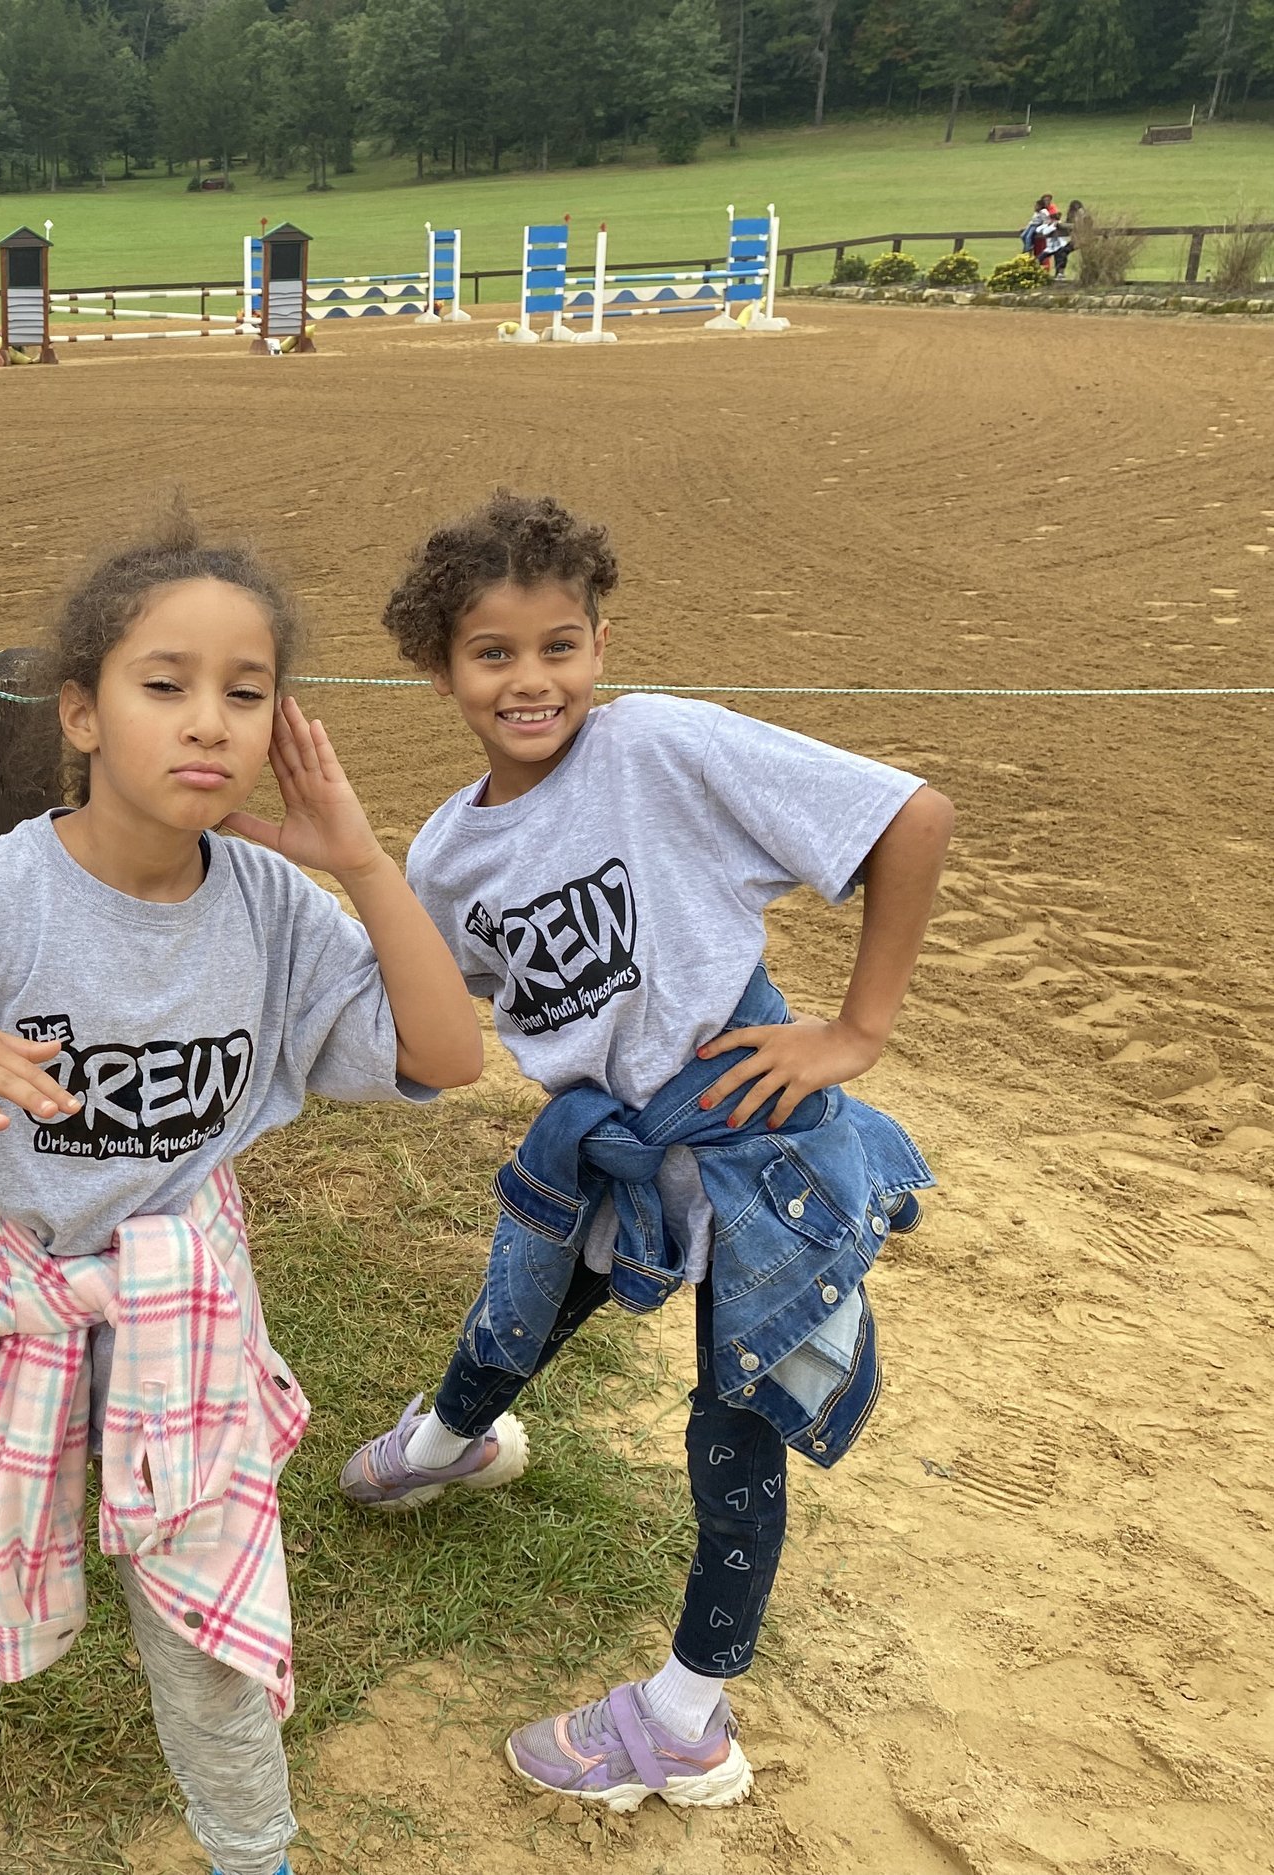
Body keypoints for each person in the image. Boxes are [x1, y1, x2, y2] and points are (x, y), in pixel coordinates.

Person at [0, 511, 488, 1875]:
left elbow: (445, 1053)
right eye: (165, 684)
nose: (209, 722)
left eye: (244, 693)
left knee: (202, 1625)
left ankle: (252, 1846)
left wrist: (362, 863)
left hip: (179, 1321)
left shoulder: (274, 908)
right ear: (80, 711)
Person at [339, 490, 953, 1816]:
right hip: (604, 1145)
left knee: (737, 1425)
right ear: (441, 667)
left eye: (560, 644)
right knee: (526, 1295)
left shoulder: (661, 747)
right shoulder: (446, 852)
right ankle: (454, 1438)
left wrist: (856, 1030)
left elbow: (912, 816)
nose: (531, 679)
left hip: (751, 1148)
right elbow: (445, 1010)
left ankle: (685, 1721)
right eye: (493, 653)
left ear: (599, 646)